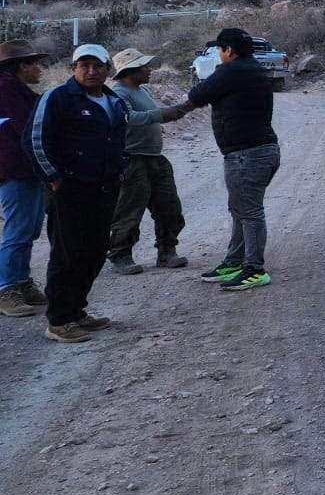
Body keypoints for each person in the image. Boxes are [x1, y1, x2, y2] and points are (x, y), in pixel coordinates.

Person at [24, 44, 127, 343]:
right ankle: (59, 320)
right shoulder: (56, 98)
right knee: (68, 254)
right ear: (73, 69)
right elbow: (34, 140)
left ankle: (77, 311)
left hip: (104, 187)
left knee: (94, 252)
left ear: (108, 68)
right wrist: (54, 178)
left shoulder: (113, 100)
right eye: (84, 65)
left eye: (97, 66)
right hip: (70, 189)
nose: (91, 71)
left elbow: (118, 139)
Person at [186, 28, 279, 291]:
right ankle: (235, 261)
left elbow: (196, 95)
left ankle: (254, 269)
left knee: (249, 212)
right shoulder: (255, 68)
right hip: (260, 151)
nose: (219, 54)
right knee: (240, 209)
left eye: (219, 49)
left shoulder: (231, 70)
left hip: (246, 155)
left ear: (228, 50)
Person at [106, 48, 190, 275]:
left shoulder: (140, 90)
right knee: (129, 211)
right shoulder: (118, 93)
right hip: (132, 159)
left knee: (169, 207)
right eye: (145, 66)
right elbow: (128, 118)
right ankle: (121, 255)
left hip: (154, 157)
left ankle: (167, 250)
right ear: (131, 70)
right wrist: (163, 114)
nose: (149, 69)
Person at [0, 40, 50, 317]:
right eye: (35, 64)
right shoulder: (6, 91)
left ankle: (20, 282)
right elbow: (26, 129)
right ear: (22, 65)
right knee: (17, 231)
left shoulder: (17, 91)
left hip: (26, 170)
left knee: (27, 230)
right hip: (14, 170)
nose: (39, 69)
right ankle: (6, 288)